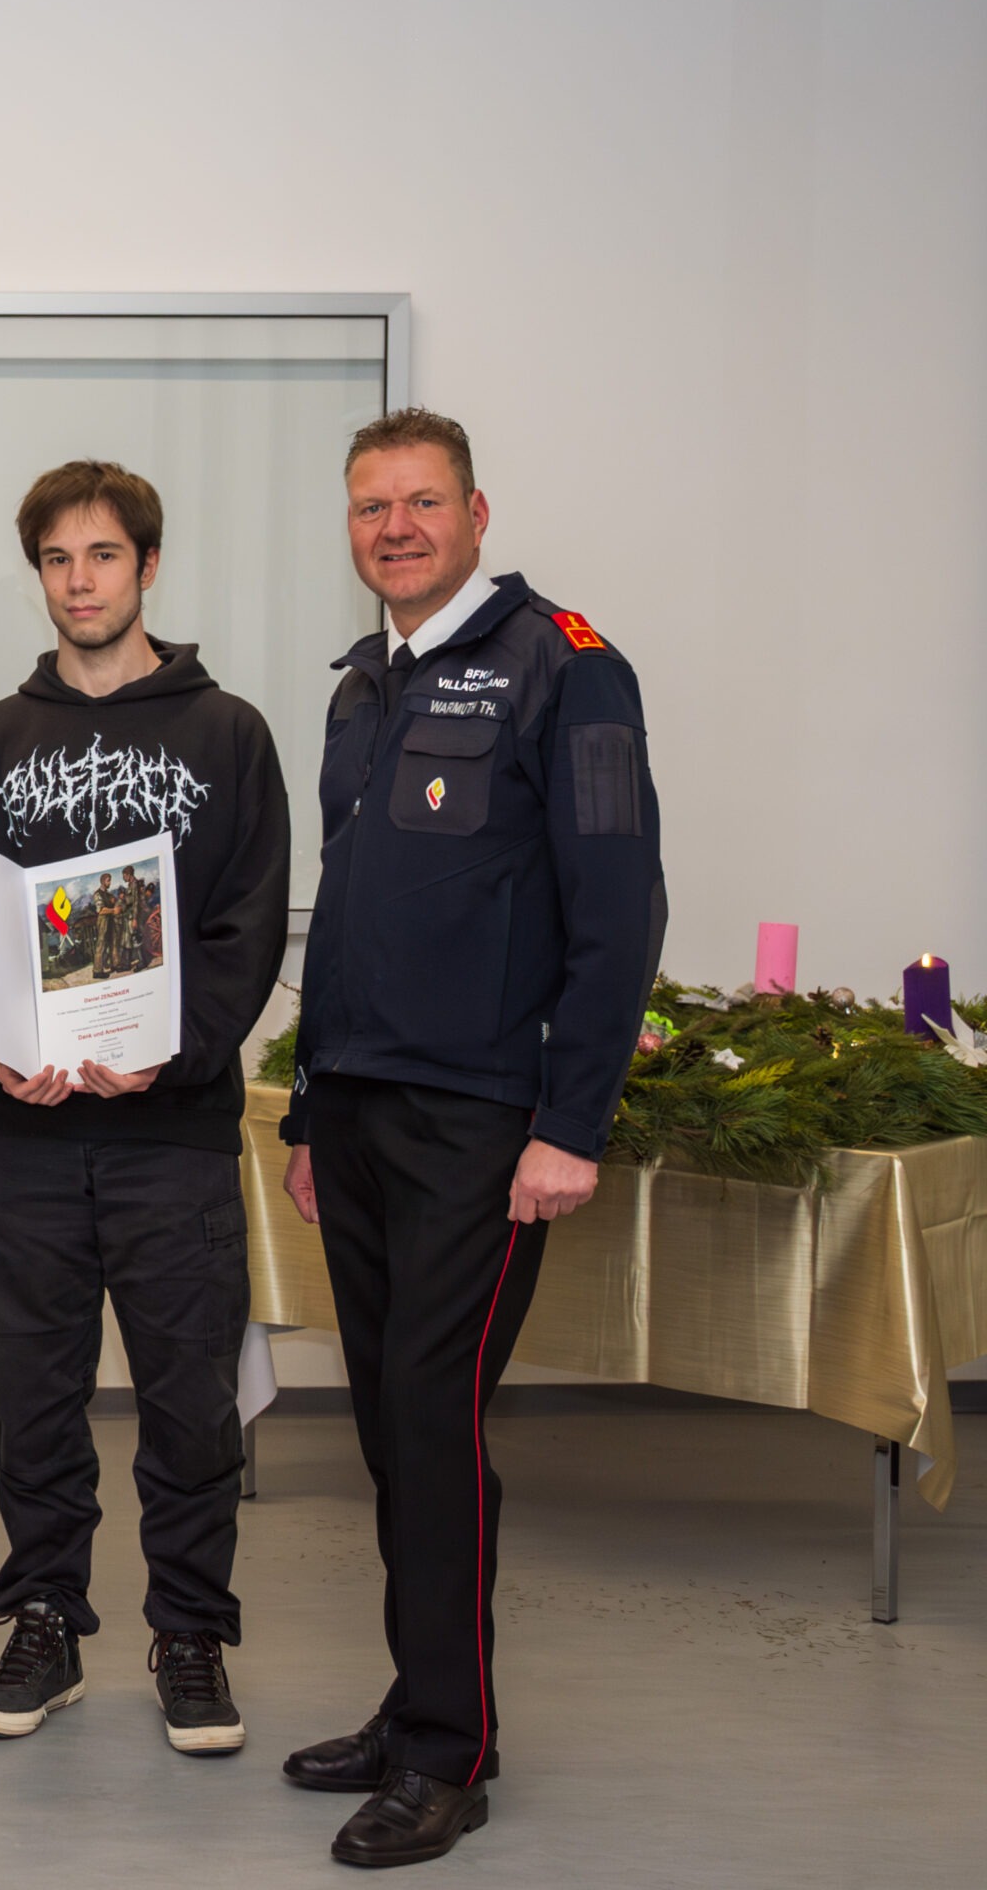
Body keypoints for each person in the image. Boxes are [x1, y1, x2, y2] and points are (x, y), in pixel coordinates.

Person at [278, 410, 663, 1868]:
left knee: (435, 1429)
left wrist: (570, 1125)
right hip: (363, 1113)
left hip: (483, 1128)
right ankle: (419, 1698)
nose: (395, 527)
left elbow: (620, 909)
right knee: (390, 1426)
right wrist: (312, 1109)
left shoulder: (569, 667)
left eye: (420, 502)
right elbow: (358, 921)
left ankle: (451, 1755)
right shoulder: (362, 691)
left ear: (477, 512)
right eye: (371, 505)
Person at [0, 459, 289, 1753]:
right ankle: (44, 1625)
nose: (82, 580)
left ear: (146, 566)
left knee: (191, 1406)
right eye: (60, 560)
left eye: (105, 556)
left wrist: (174, 1054)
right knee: (34, 1399)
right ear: (41, 576)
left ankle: (191, 1637)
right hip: (27, 1141)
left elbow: (245, 930)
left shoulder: (228, 733)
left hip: (172, 1140)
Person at [89, 871, 122, 979]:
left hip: (111, 921)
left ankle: (115, 965)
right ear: (103, 881)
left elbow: (114, 902)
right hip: (103, 921)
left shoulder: (108, 895)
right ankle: (97, 971)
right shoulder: (97, 894)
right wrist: (113, 910)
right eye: (108, 880)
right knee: (101, 945)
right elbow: (100, 910)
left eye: (110, 880)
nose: (110, 882)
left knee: (113, 942)